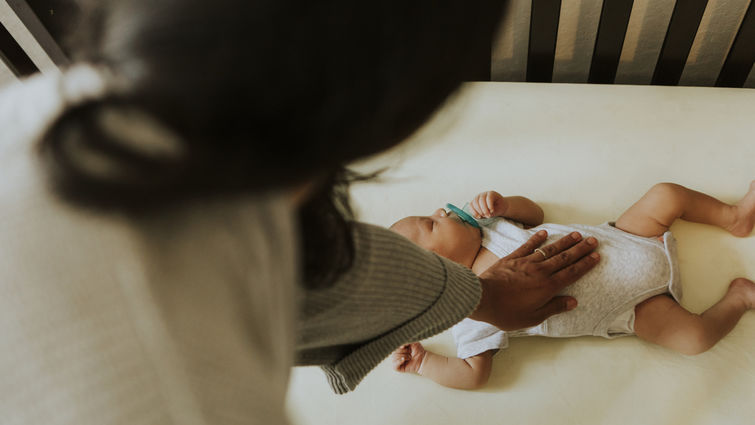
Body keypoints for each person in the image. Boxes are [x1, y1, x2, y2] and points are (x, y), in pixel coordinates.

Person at [0, 1, 600, 423]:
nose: (432, 221)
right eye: (424, 227)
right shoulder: (190, 399)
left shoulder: (49, 108)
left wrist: (481, 290)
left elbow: (338, 266)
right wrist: (466, 316)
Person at [390, 183, 755, 390]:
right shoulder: (469, 311)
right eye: (431, 224)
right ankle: (739, 298)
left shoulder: (490, 226)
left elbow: (535, 216)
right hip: (633, 307)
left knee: (665, 195)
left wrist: (505, 204)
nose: (441, 212)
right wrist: (424, 362)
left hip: (626, 237)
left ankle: (734, 218)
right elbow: (474, 374)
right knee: (694, 339)